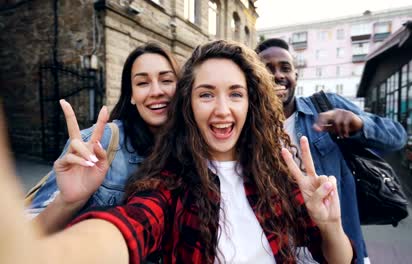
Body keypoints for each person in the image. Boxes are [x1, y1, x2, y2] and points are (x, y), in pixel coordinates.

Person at [0, 40, 356, 264]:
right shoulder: (169, 181)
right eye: (205, 94)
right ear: (187, 104)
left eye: (235, 93)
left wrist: (331, 226)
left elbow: (338, 257)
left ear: (252, 103)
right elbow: (128, 227)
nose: (221, 109)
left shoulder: (278, 174)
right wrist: (52, 228)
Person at [255, 38, 407, 264]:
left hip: (339, 247)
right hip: (278, 250)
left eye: (285, 68)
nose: (277, 75)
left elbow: (397, 137)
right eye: (268, 69)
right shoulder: (250, 127)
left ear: (296, 76)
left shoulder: (326, 106)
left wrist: (360, 125)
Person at [27, 42, 180, 234]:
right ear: (131, 95)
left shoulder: (191, 147)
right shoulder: (99, 142)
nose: (156, 91)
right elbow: (26, 235)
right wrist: (67, 202)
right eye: (142, 83)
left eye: (166, 80)